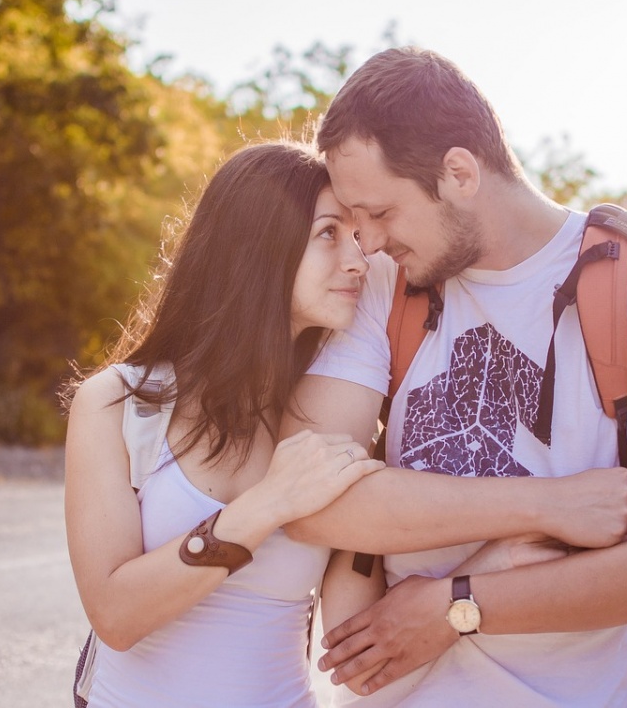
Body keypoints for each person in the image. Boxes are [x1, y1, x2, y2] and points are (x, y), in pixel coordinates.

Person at [280, 47, 627, 706]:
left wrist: (454, 605)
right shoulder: (387, 283)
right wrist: (542, 507)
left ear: (459, 173)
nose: (370, 243)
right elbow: (309, 498)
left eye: (381, 213)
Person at [63, 141, 387, 707]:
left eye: (358, 238)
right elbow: (115, 616)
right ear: (259, 248)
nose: (358, 260)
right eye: (329, 234)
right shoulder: (120, 404)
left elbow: (353, 640)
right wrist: (268, 505)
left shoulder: (333, 424)